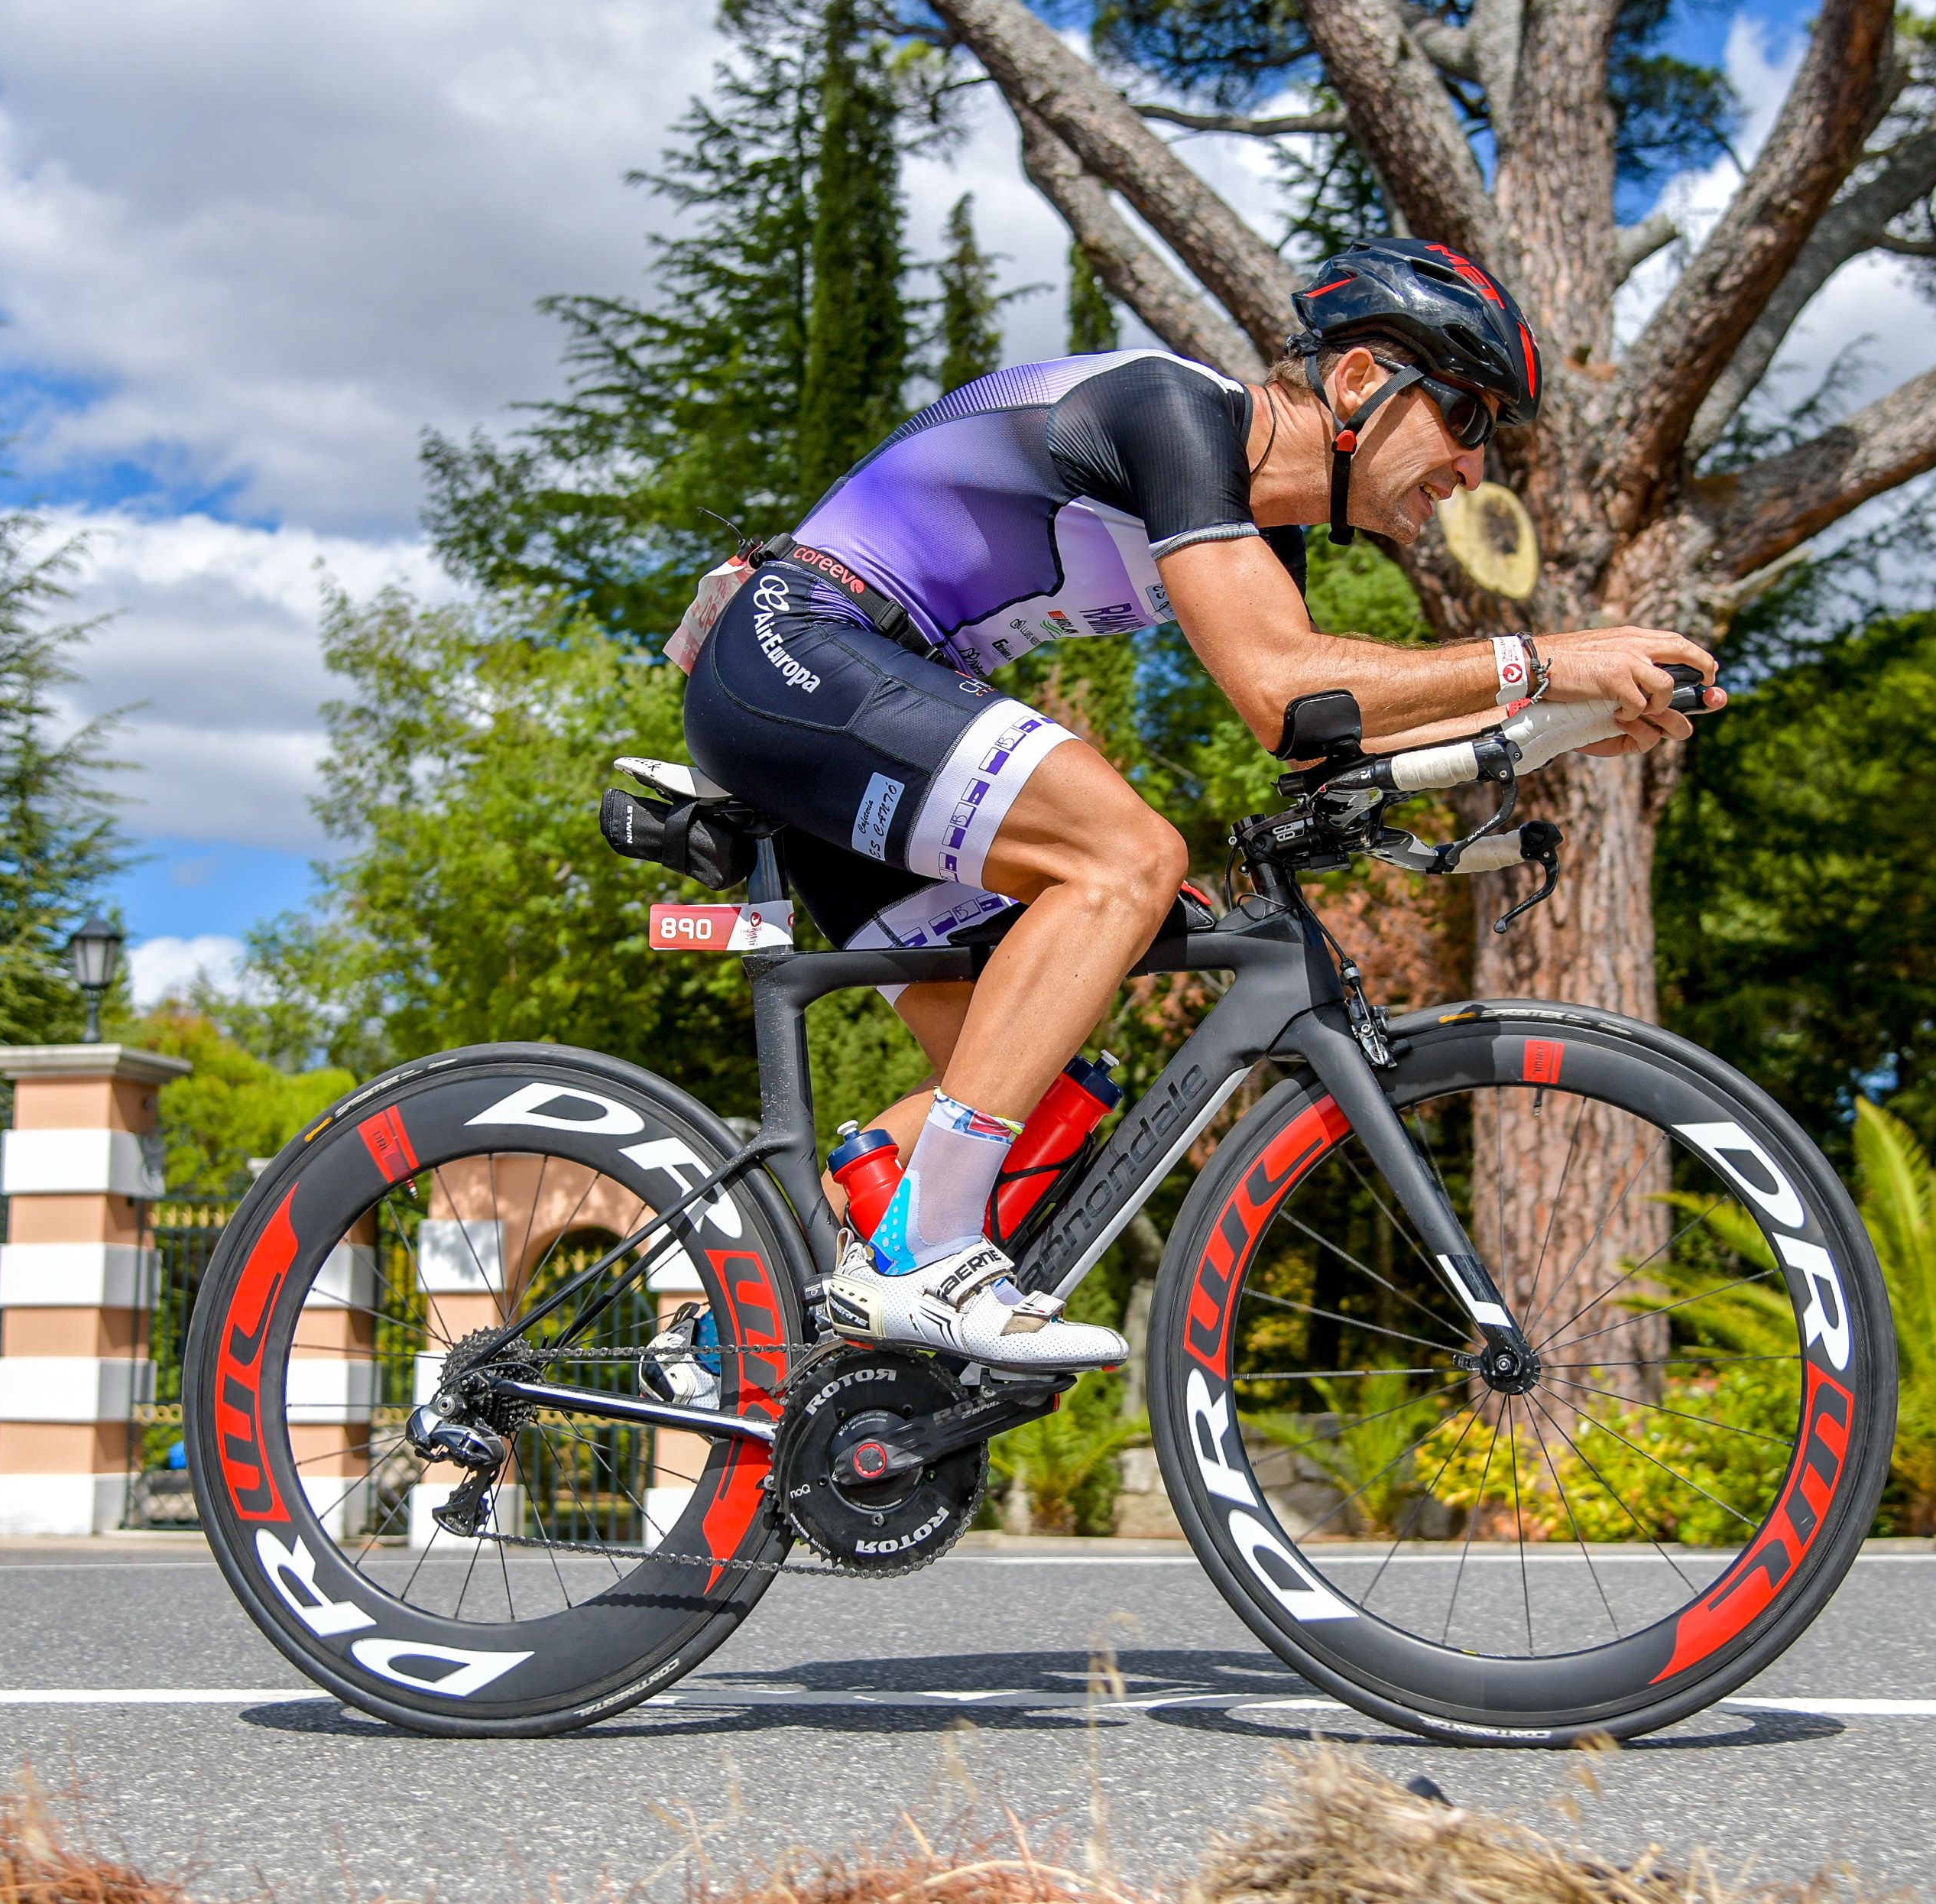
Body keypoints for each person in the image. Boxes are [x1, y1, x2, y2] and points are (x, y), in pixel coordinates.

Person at [672, 236, 1720, 1373]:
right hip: (801, 647)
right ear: (1358, 380)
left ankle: (733, 1339)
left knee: (1031, 1079)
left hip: (863, 714)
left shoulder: (1262, 533)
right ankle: (922, 1254)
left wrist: (1560, 726)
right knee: (1124, 858)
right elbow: (1281, 687)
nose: (1475, 469)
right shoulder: (1176, 411)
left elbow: (1324, 732)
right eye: (1467, 417)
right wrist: (1547, 659)